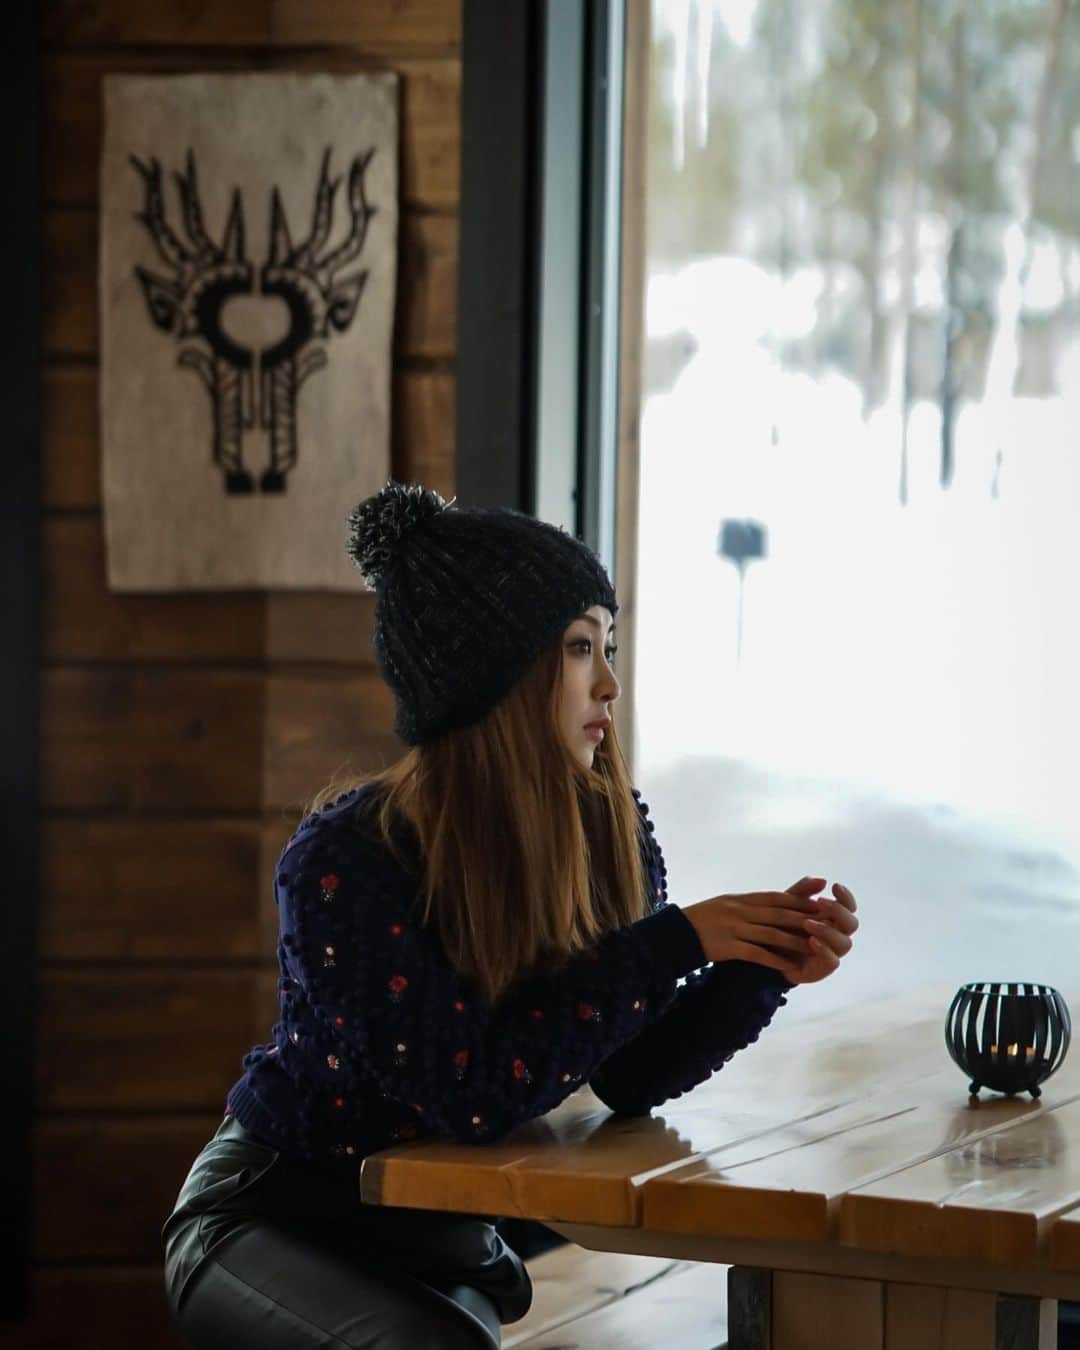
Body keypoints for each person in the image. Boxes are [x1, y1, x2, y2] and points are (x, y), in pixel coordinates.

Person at [161, 480, 859, 1349]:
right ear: (494, 674)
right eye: (578, 647)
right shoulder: (346, 862)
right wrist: (678, 940)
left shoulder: (608, 830)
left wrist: (756, 970)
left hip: (428, 1241)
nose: (608, 681)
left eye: (608, 645)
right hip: (265, 1222)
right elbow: (469, 1088)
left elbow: (629, 1073)